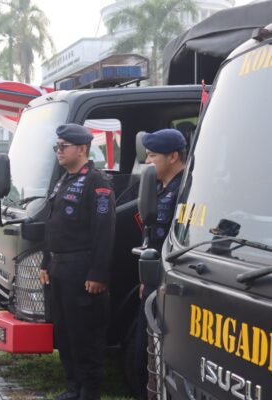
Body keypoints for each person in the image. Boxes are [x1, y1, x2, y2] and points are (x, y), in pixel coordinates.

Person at [39, 123, 116, 400]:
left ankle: (89, 391)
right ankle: (74, 387)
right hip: (59, 269)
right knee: (66, 334)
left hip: (81, 270)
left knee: (86, 336)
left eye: (63, 146)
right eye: (56, 147)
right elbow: (54, 225)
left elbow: (104, 232)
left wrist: (98, 274)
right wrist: (46, 262)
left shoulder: (97, 183)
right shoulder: (65, 179)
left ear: (82, 149)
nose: (58, 151)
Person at [135, 128, 187, 400]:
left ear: (173, 156)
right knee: (145, 348)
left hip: (171, 281)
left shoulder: (186, 190)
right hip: (153, 275)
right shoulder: (158, 186)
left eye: (153, 155)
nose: (147, 162)